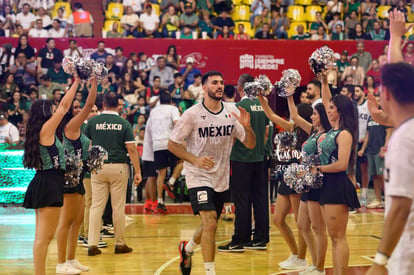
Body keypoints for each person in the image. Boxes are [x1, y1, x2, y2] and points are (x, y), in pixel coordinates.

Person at [168, 71, 256, 275]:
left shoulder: (233, 111)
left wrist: (248, 128)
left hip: (221, 177)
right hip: (198, 175)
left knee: (211, 224)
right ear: (204, 87)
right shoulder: (192, 114)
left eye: (222, 82)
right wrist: (195, 159)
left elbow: (250, 144)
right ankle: (210, 272)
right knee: (209, 222)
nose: (220, 86)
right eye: (214, 82)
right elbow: (172, 144)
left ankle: (187, 248)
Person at [366, 10, 414, 275]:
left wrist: (380, 260)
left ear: (385, 92)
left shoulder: (404, 138)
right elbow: (401, 76)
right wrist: (396, 39)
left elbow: (400, 206)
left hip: (407, 255)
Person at [22, 77, 81, 275]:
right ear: (47, 113)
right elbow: (65, 106)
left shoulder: (45, 131)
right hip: (49, 183)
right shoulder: (46, 129)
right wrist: (77, 81)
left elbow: (62, 108)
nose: (57, 111)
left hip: (46, 181)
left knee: (42, 237)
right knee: (44, 238)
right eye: (53, 109)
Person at [257, 93, 312, 270]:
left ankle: (302, 258)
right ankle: (295, 254)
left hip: (299, 178)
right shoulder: (292, 128)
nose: (291, 117)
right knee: (278, 219)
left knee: (301, 223)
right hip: (287, 176)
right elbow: (272, 116)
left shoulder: (311, 133)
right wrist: (260, 99)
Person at [84, 91, 142, 256]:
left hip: (98, 167)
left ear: (103, 104)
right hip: (118, 167)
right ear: (118, 104)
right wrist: (137, 171)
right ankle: (120, 243)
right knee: (117, 207)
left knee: (96, 206)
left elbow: (87, 145)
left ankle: (92, 244)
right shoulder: (123, 123)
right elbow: (131, 149)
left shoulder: (92, 122)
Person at [313, 72, 360, 275]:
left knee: (338, 236)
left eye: (331, 108)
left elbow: (341, 164)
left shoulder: (345, 134)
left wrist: (318, 168)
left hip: (336, 185)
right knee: (333, 236)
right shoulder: (333, 130)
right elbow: (325, 100)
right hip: (326, 184)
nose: (328, 110)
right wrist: (324, 81)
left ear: (339, 111)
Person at [218, 74, 270, 252]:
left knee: (242, 200)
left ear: (240, 87)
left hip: (241, 158)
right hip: (260, 158)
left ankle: (240, 239)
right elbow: (265, 134)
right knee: (261, 199)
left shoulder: (239, 107)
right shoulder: (264, 106)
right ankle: (260, 239)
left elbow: (233, 137)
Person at [55, 78, 97, 274]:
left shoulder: (78, 128)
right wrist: (94, 82)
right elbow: (90, 105)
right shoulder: (71, 126)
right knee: (66, 222)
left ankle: (71, 259)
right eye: (75, 107)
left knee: (77, 221)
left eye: (79, 107)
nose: (79, 109)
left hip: (79, 175)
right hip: (68, 178)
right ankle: (60, 263)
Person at [286, 95, 331, 275]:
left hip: (318, 183)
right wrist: (289, 95)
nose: (311, 116)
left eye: (314, 114)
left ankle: (319, 268)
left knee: (318, 228)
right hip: (306, 183)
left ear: (323, 115)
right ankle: (313, 264)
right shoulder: (313, 130)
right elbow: (295, 117)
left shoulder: (328, 135)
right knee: (303, 225)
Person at [146, 92, 180, 213]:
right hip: (170, 143)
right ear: (171, 101)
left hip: (156, 145)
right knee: (183, 160)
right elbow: (178, 124)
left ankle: (160, 202)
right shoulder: (173, 109)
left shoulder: (153, 111)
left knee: (161, 173)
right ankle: (171, 182)